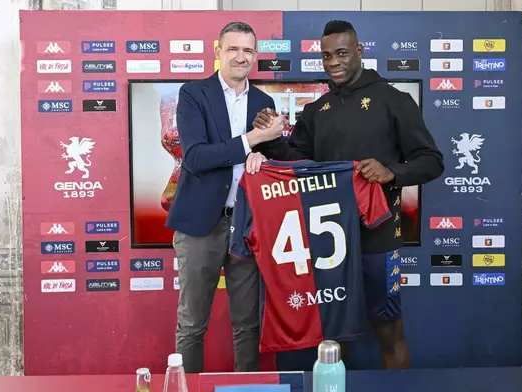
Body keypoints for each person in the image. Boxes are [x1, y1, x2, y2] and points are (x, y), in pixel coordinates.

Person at [246, 20, 444, 369]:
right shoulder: (316, 110)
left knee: (389, 332)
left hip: (378, 239)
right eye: (326, 56)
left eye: (341, 53)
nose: (333, 62)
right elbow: (298, 163)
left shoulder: (393, 100)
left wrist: (391, 172)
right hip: (329, 244)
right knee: (333, 337)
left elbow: (432, 161)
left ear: (359, 52)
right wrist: (271, 138)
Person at [165, 21, 285, 373]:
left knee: (247, 324)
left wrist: (266, 155)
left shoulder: (264, 101)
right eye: (232, 49)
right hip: (200, 224)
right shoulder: (193, 94)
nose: (240, 56)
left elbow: (271, 157)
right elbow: (197, 158)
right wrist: (253, 141)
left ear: (255, 56)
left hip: (247, 224)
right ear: (217, 52)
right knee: (192, 324)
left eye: (248, 50)